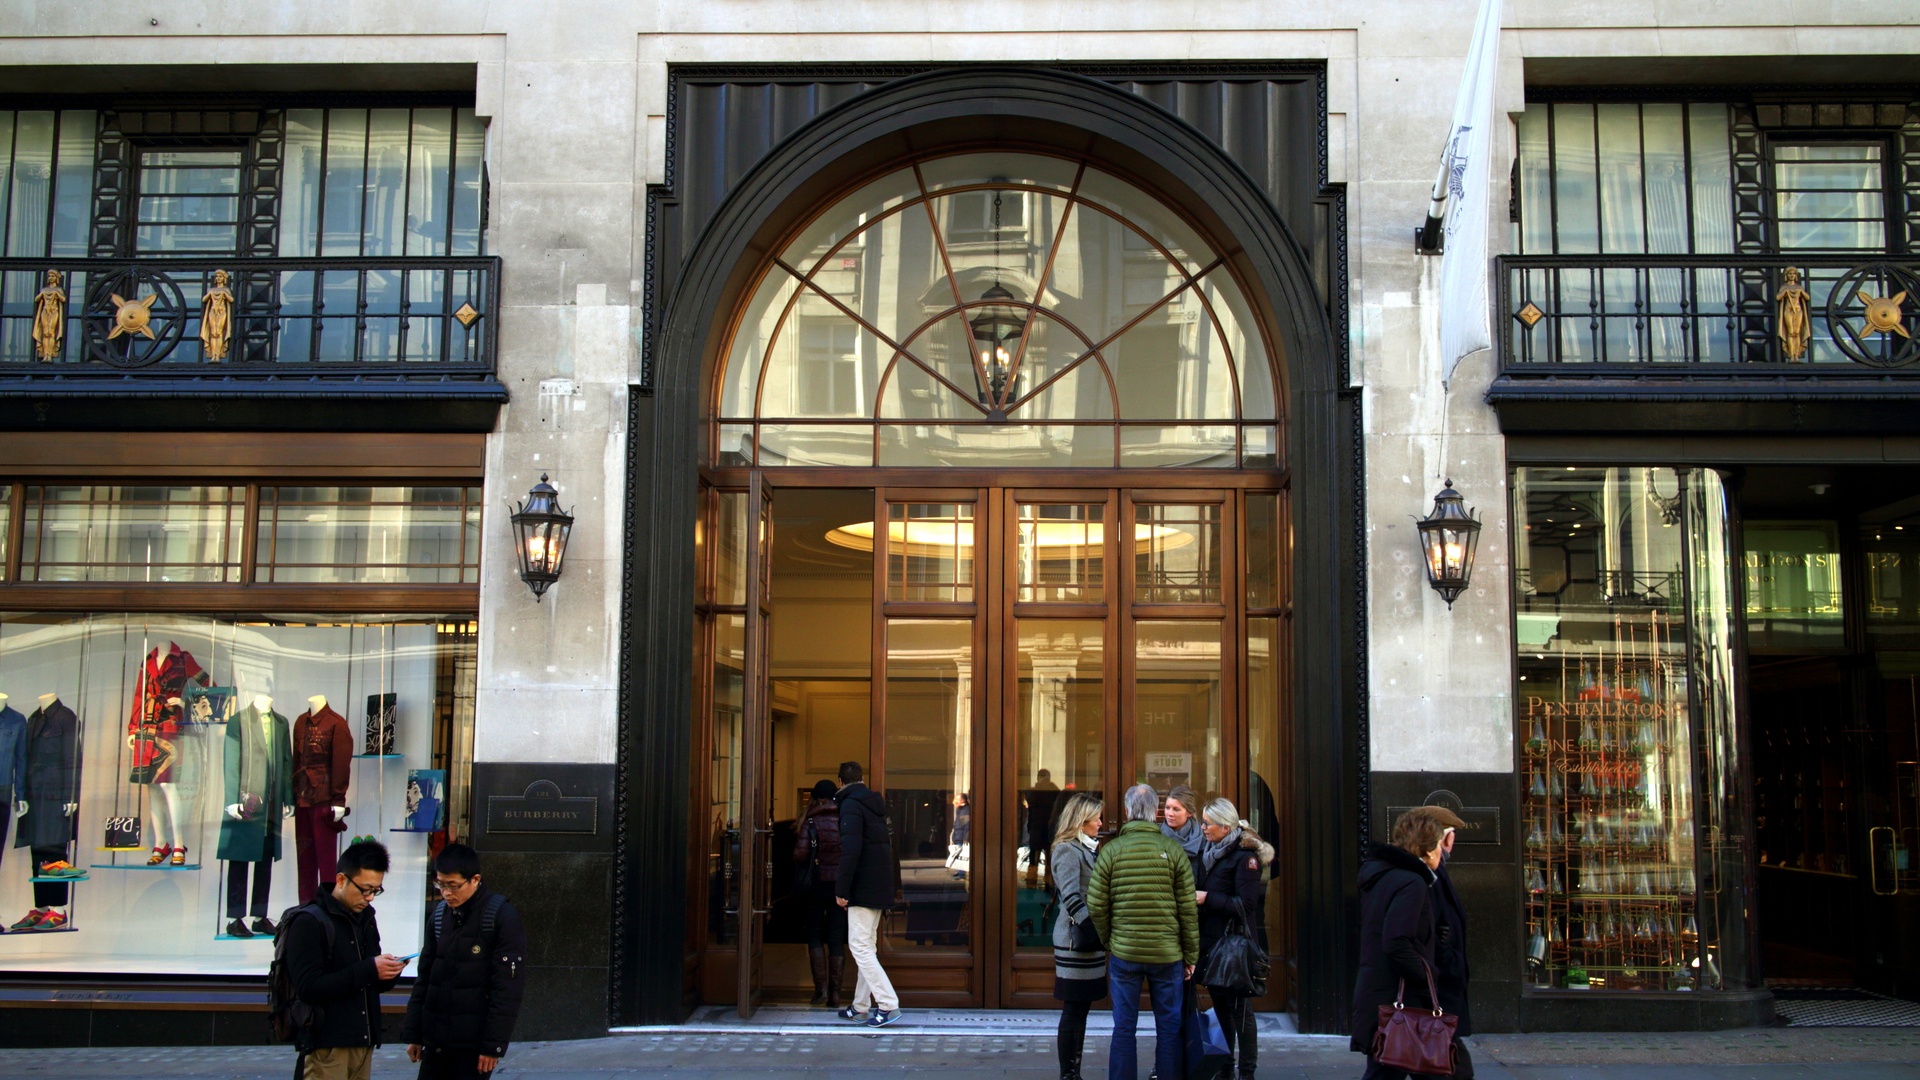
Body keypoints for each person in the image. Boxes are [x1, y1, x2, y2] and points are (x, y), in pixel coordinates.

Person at [1088, 783, 1198, 1080]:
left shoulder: (1111, 851)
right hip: (1167, 954)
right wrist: (1191, 955)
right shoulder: (1173, 850)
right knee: (1169, 1028)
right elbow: (1187, 908)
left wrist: (1110, 938)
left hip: (1125, 952)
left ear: (1126, 812)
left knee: (1124, 1027)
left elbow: (1096, 904)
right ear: (1156, 812)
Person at [1350, 806, 1467, 1080]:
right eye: (1439, 845)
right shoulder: (1412, 882)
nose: (1442, 851)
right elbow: (1397, 942)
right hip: (1402, 1003)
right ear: (1428, 850)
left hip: (1384, 998)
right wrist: (1429, 975)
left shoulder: (1384, 876)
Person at [403, 843, 529, 1078]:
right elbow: (425, 979)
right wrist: (414, 1034)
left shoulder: (502, 916)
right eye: (440, 884)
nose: (447, 892)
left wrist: (493, 1046)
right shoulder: (440, 916)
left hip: (473, 1045)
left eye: (453, 885)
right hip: (436, 1040)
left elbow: (507, 990)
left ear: (475, 880)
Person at [285, 840, 405, 1080]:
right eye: (365, 889)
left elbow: (372, 980)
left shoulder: (366, 917)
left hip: (363, 1041)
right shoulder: (309, 921)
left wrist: (390, 971)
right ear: (341, 880)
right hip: (326, 1047)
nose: (370, 897)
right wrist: (370, 968)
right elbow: (309, 987)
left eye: (376, 890)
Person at [1194, 798, 1274, 1080]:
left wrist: (1207, 898)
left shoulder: (1245, 857)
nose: (1202, 828)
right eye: (1202, 822)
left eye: (1207, 823)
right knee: (1221, 1009)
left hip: (1235, 945)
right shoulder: (1209, 850)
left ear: (1225, 827)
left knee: (1240, 1012)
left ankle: (1247, 1072)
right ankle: (1225, 1067)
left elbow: (1247, 905)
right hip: (1212, 942)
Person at [834, 760, 902, 1027]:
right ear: (860, 778)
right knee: (866, 947)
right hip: (878, 883)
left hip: (862, 886)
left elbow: (849, 851)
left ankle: (887, 1004)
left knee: (860, 947)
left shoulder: (849, 805)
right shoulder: (874, 804)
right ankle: (861, 1006)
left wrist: (841, 890)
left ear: (840, 781)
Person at [1049, 792, 1108, 1080]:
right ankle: (1069, 1074)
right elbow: (1071, 896)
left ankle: (1073, 1072)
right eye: (1096, 817)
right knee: (1074, 1009)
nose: (1100, 822)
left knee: (1080, 1009)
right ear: (1081, 820)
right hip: (1077, 940)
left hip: (1088, 939)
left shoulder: (1088, 849)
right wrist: (1093, 931)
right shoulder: (1067, 850)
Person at [796, 778, 848, 1006]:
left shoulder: (811, 821)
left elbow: (800, 854)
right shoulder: (845, 820)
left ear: (817, 797)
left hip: (816, 885)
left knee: (815, 932)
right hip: (839, 885)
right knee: (836, 935)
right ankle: (836, 993)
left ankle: (821, 989)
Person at [1431, 822, 1474, 1079]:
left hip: (1441, 984)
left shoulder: (1435, 872)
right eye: (1450, 836)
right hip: (1435, 987)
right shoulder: (1426, 878)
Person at [1161, 785, 1205, 881]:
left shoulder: (1201, 840)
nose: (1170, 813)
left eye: (1176, 809)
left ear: (1189, 812)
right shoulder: (1157, 836)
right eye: (1167, 808)